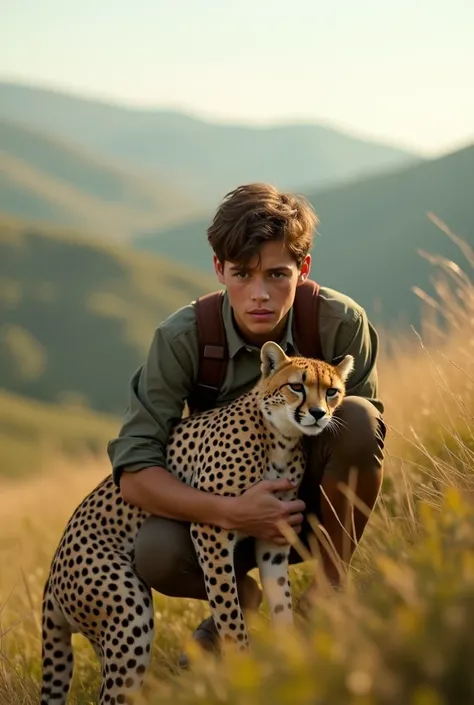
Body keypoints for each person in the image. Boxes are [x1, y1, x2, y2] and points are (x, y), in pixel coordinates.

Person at [107, 182, 386, 664]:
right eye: (241, 274)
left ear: (304, 268)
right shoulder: (182, 339)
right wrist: (235, 513)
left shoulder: (339, 322)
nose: (260, 295)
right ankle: (241, 608)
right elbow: (134, 474)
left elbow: (365, 445)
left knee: (360, 418)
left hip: (309, 505)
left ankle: (325, 597)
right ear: (219, 269)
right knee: (153, 550)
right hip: (220, 518)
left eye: (278, 274)